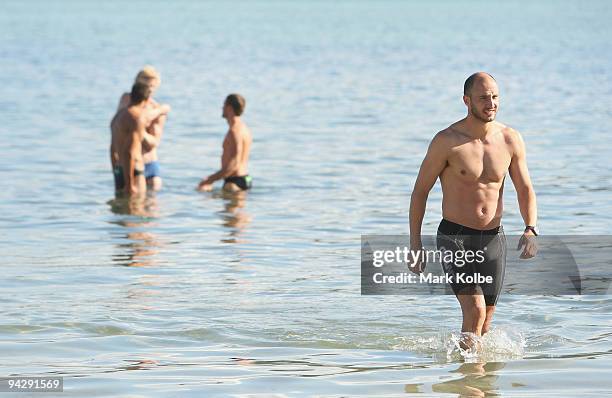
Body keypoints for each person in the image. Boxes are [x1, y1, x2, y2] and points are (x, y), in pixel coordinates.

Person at [408, 72, 538, 338]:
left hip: (493, 238)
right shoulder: (446, 141)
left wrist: (530, 228)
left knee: (486, 320)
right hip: (455, 237)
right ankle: (470, 377)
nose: (490, 103)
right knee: (475, 311)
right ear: (466, 101)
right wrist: (415, 244)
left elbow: (525, 188)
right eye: (483, 98)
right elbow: (420, 192)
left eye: (495, 96)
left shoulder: (510, 139)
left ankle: (473, 374)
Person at [118, 66, 170, 190]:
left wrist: (140, 131)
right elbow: (121, 126)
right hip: (127, 162)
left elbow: (154, 143)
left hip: (149, 161)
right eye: (145, 85)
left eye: (152, 86)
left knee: (153, 197)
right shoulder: (126, 99)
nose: (148, 90)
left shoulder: (156, 108)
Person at [197, 94, 252, 192]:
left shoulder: (234, 131)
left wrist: (210, 180)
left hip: (234, 182)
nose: (222, 108)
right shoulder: (245, 129)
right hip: (245, 179)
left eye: (224, 105)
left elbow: (234, 164)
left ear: (229, 108)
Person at [110, 82, 153, 196]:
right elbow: (129, 152)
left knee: (120, 212)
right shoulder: (136, 118)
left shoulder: (117, 116)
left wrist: (116, 175)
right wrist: (130, 185)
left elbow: (112, 150)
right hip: (134, 173)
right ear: (146, 99)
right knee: (137, 209)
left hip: (119, 170)